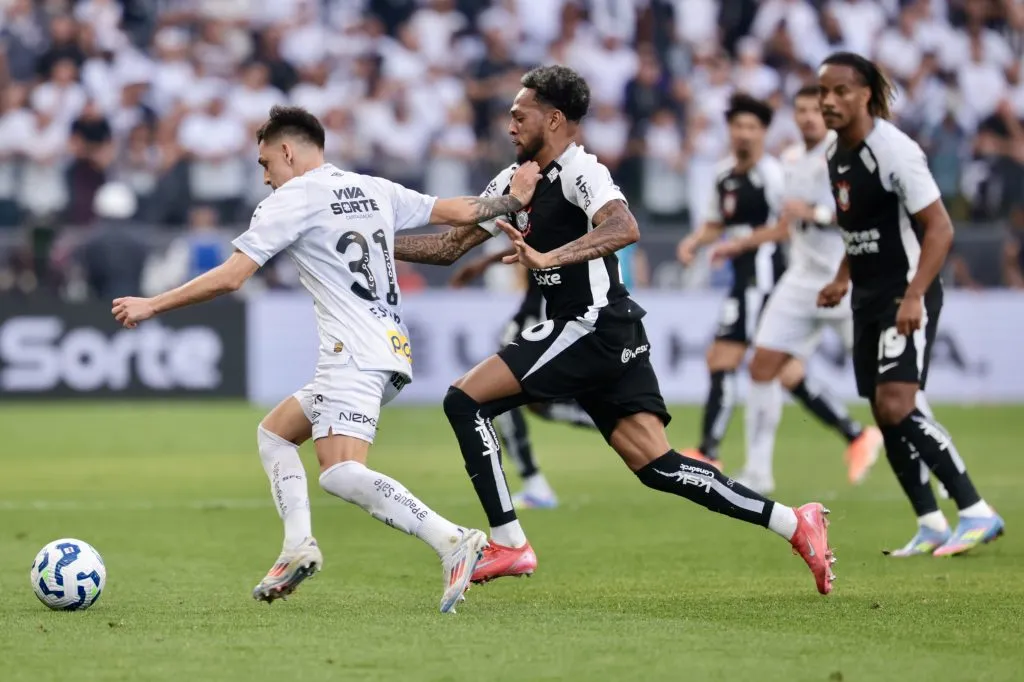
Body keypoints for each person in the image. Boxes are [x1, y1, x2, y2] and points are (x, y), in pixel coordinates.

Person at [393, 66, 836, 595]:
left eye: (519, 116)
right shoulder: (514, 181)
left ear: (553, 120)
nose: (509, 125)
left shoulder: (583, 170)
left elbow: (625, 226)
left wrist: (550, 257)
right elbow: (447, 248)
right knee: (659, 466)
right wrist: (371, 239)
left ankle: (509, 542)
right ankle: (794, 521)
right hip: (610, 333)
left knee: (465, 400)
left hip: (592, 325)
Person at [111, 105, 544, 612]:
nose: (265, 176)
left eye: (265, 162)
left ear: (287, 151)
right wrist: (513, 199)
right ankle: (298, 546)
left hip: (352, 353)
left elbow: (232, 276)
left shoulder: (291, 199)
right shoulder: (372, 188)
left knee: (339, 472)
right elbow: (459, 210)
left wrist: (153, 304)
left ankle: (453, 541)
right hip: (388, 349)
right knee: (275, 434)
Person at [816, 53, 1004, 557]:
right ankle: (930, 522)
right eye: (823, 91)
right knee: (884, 410)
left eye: (840, 91)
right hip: (867, 296)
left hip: (905, 292)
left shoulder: (895, 151)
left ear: (866, 95)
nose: (828, 101)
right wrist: (841, 278)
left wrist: (915, 295)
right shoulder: (835, 152)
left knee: (899, 402)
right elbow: (858, 226)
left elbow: (940, 227)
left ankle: (976, 510)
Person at [708, 85, 884, 494]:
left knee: (885, 378)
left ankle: (922, 455)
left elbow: (863, 213)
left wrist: (815, 213)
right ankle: (758, 471)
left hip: (844, 280)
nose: (807, 117)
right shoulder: (789, 161)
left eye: (815, 111)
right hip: (800, 281)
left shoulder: (845, 156)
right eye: (801, 110)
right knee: (762, 367)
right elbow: (784, 222)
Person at [675, 93, 786, 469]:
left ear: (764, 132)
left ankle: (708, 452)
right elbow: (715, 224)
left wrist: (738, 244)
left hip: (764, 277)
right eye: (738, 125)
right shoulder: (723, 175)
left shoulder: (772, 174)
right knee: (784, 371)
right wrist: (694, 242)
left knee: (725, 358)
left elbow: (786, 228)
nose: (744, 133)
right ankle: (856, 434)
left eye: (752, 127)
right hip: (744, 277)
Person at [450, 251, 598, 510]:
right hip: (543, 320)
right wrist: (484, 263)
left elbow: (530, 245)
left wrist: (482, 263)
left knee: (495, 399)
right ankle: (619, 419)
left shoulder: (557, 235)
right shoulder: (549, 236)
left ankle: (535, 486)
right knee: (538, 405)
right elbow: (525, 245)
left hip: (543, 324)